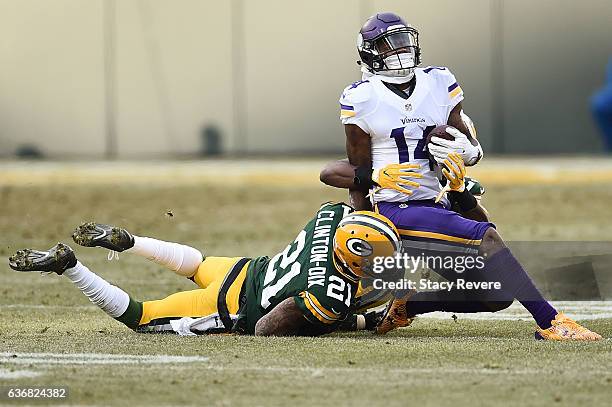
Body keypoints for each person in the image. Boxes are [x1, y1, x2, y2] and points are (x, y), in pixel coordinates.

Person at [334, 12, 601, 340]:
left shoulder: (438, 80)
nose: (400, 51)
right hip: (395, 210)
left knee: (496, 294)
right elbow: (356, 172)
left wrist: (465, 154)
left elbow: (471, 147)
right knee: (486, 236)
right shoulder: (361, 97)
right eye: (389, 45)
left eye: (404, 41)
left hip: (437, 203)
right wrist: (367, 215)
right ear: (370, 54)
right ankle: (551, 322)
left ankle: (408, 306)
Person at [8, 204, 401, 337]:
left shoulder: (334, 217)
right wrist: (355, 321)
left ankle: (130, 241)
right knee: (141, 317)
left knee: (194, 263)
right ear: (352, 256)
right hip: (231, 304)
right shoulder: (329, 299)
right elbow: (266, 327)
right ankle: (71, 266)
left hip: (245, 269)